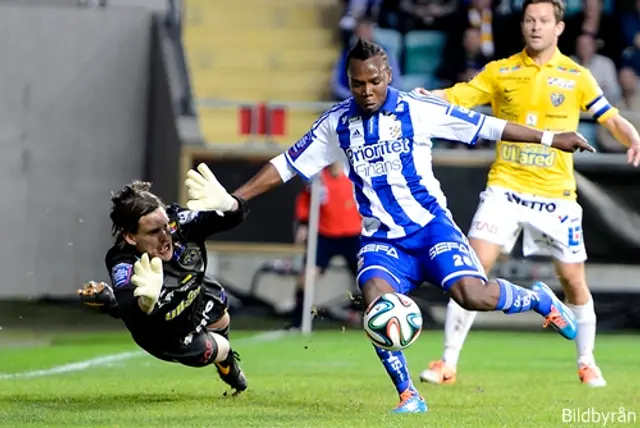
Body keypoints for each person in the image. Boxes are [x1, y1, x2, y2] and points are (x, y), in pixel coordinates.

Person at [179, 38, 595, 414]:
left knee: (473, 296)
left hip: (432, 228)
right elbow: (287, 164)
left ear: (387, 75)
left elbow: (487, 126)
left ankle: (539, 299)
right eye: (357, 83)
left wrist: (550, 139)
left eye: (374, 81)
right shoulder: (337, 123)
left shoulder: (419, 108)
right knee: (376, 301)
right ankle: (408, 395)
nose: (366, 91)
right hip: (382, 238)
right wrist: (236, 198)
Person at [415, 0, 640, 389]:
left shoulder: (576, 75)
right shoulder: (501, 71)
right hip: (506, 186)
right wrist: (425, 95)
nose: (536, 27)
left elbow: (609, 117)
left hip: (556, 195)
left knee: (572, 281)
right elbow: (461, 96)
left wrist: (632, 136)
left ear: (559, 28)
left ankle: (587, 361)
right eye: (530, 20)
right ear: (523, 26)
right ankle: (447, 362)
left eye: (544, 21)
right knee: (471, 268)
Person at [77, 174, 250, 395]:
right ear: (131, 237)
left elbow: (233, 218)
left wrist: (230, 205)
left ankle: (224, 358)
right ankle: (227, 362)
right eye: (152, 232)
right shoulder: (122, 260)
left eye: (165, 227)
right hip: (165, 333)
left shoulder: (179, 222)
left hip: (195, 295)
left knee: (222, 314)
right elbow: (131, 308)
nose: (165, 237)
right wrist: (146, 302)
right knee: (218, 349)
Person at [291, 161, 362, 329]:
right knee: (306, 277)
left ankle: (371, 319)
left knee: (367, 278)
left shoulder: (353, 175)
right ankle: (298, 322)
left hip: (353, 235)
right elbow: (304, 201)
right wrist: (302, 224)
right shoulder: (317, 179)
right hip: (324, 235)